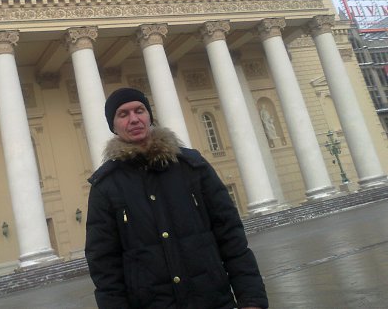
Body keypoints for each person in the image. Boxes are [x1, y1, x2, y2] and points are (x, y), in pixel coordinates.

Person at [85, 88, 268, 309]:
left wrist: (251, 300)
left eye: (139, 110)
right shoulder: (106, 186)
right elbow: (104, 265)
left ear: (149, 116)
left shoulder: (192, 167)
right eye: (123, 114)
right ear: (113, 126)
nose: (134, 119)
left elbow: (231, 237)